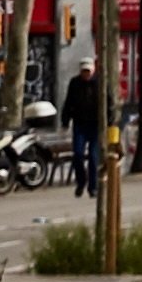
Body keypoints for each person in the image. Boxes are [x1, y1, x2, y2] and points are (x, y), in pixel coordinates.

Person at [60, 60, 103, 197]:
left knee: (93, 156)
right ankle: (81, 182)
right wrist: (65, 121)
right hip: (80, 124)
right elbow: (68, 102)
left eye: (88, 72)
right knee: (78, 154)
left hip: (95, 125)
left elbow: (108, 101)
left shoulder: (100, 83)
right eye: (84, 71)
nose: (86, 74)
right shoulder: (75, 83)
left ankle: (93, 187)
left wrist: (110, 120)